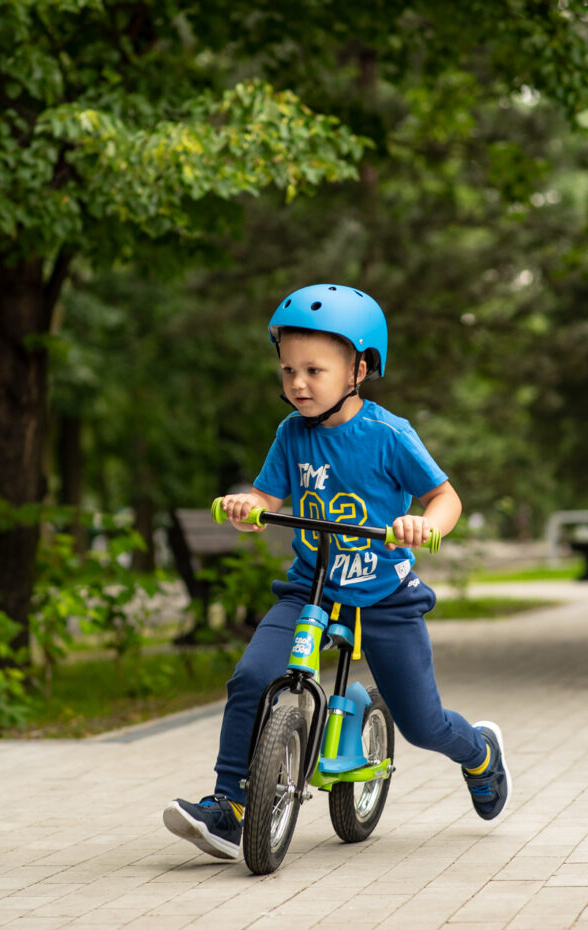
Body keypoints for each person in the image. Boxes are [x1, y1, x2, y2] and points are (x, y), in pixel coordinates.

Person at [164, 283, 511, 860]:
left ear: (359, 368)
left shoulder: (387, 434)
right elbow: (266, 499)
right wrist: (249, 507)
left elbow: (445, 498)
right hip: (312, 588)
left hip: (384, 597)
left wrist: (425, 525)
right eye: (287, 370)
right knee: (253, 678)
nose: (297, 384)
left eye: (314, 370)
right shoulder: (291, 434)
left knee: (422, 724)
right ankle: (231, 807)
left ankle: (479, 750)